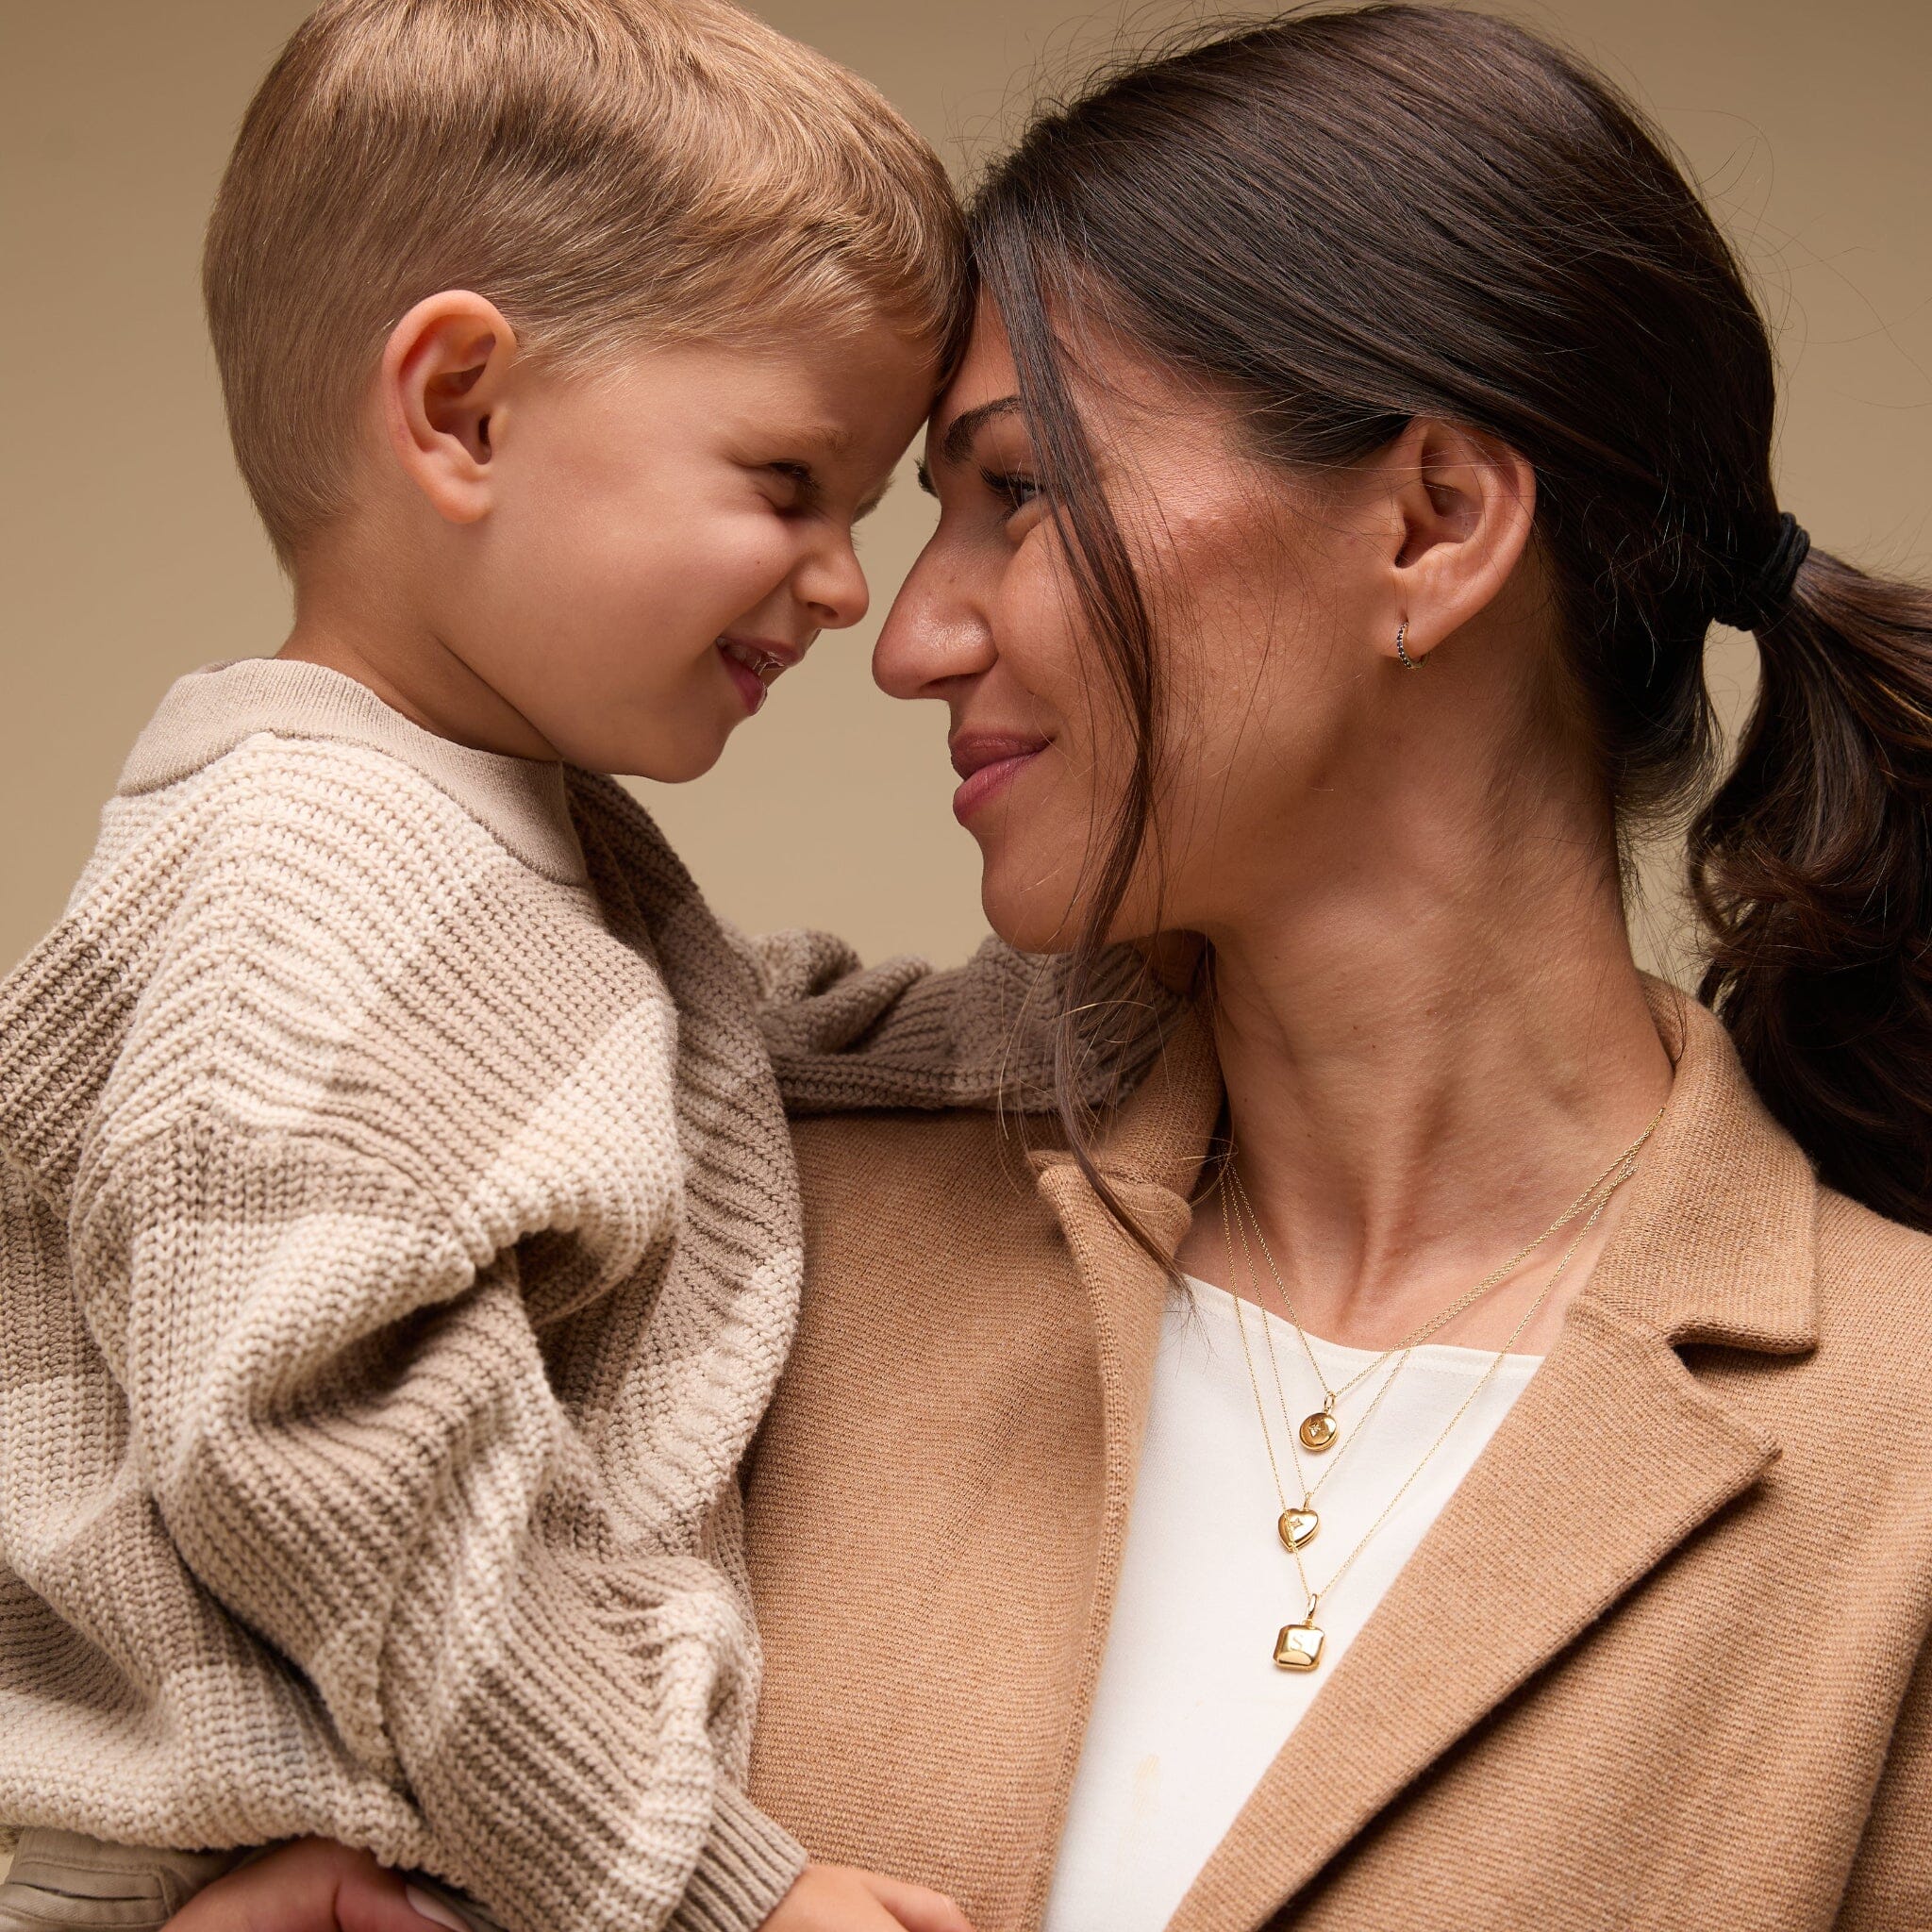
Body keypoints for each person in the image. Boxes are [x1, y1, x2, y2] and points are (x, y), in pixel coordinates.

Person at [109, 3, 1932, 1927]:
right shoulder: (703, 1233)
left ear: (1432, 522)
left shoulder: (1891, 1446)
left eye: (1014, 490)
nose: (905, 638)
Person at [0, 3, 1119, 1931]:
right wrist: (713, 1888)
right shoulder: (308, 881)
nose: (851, 583)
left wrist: (1143, 997)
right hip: (265, 1880)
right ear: (460, 411)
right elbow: (344, 1476)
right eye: (787, 484)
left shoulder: (507, 840)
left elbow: (739, 1051)